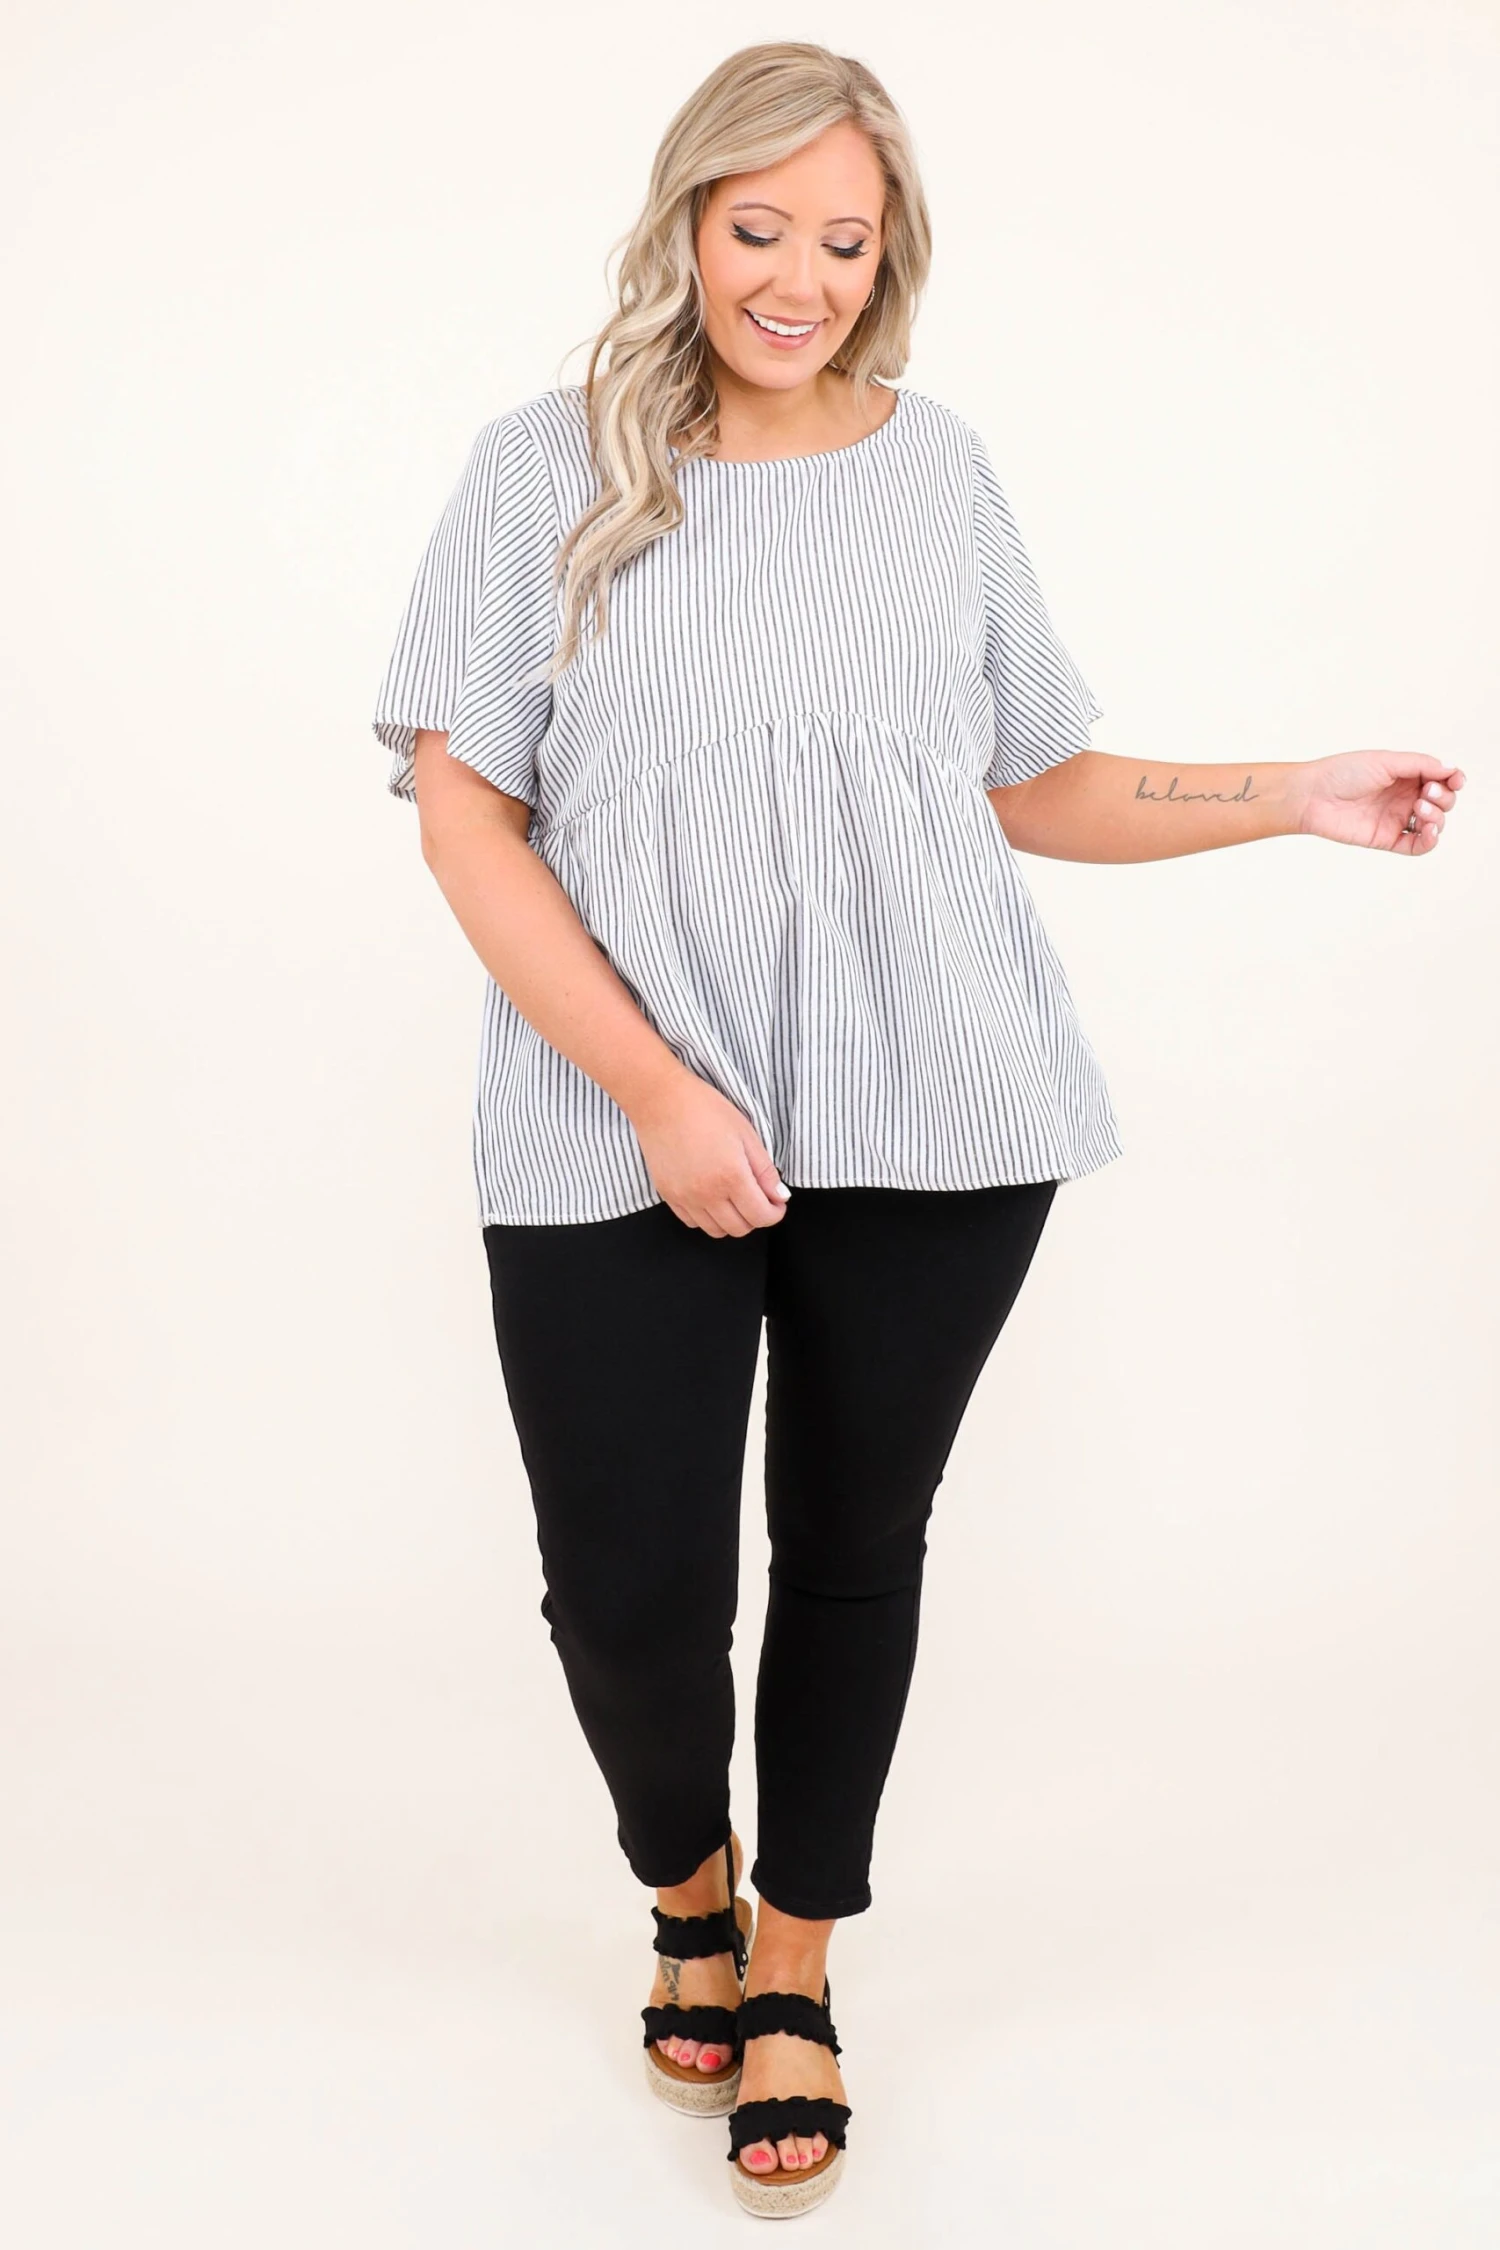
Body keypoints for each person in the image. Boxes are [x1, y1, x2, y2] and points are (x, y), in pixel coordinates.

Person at [369, 41, 1464, 2219]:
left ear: (895, 259)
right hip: (613, 1115)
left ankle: (792, 1959)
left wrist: (1294, 792)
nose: (797, 277)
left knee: (854, 1551)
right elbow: (466, 814)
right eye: (758, 226)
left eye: (844, 241)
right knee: (627, 1591)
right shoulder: (540, 470)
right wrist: (662, 1089)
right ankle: (683, 1882)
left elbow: (1027, 780)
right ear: (687, 224)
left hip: (937, 1100)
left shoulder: (936, 469)